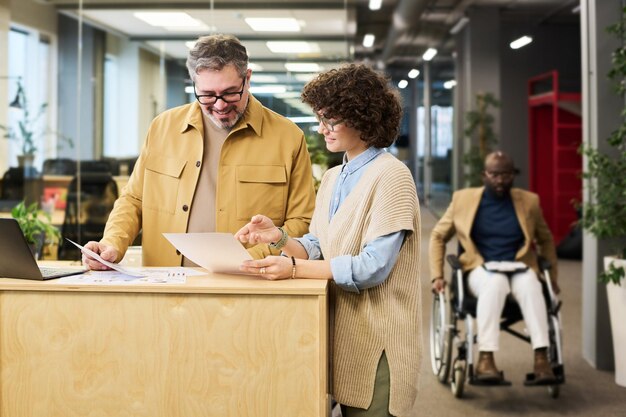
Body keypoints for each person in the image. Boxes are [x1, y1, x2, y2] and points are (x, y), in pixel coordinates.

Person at [235, 63, 422, 417]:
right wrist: (278, 238)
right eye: (320, 119)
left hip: (378, 341)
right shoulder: (335, 177)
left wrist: (293, 269)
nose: (321, 129)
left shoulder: (392, 176)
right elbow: (318, 247)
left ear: (362, 118)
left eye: (330, 120)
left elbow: (372, 268)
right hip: (341, 337)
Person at [82, 34, 316, 268]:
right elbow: (134, 200)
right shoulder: (163, 127)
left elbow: (301, 221)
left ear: (248, 78)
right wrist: (112, 243)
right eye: (207, 95)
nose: (220, 105)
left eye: (230, 92)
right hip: (166, 284)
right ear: (194, 83)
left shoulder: (288, 138)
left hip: (248, 285)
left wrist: (250, 258)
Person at [430, 151, 559, 383]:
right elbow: (439, 235)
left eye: (506, 175)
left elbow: (546, 239)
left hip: (519, 266)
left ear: (513, 175)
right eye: (494, 174)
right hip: (481, 268)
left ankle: (542, 358)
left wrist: (554, 278)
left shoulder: (528, 201)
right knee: (495, 283)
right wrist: (437, 275)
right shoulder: (463, 200)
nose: (500, 180)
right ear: (484, 175)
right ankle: (485, 359)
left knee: (531, 284)